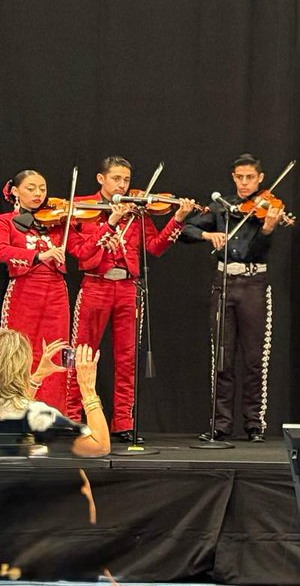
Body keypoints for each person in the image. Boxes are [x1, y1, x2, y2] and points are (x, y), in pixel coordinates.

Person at [67, 156, 197, 443]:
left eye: (126, 179)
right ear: (101, 179)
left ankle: (123, 421)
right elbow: (80, 252)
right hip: (95, 285)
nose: (123, 185)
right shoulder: (83, 206)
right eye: (116, 179)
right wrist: (110, 223)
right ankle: (74, 416)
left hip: (127, 287)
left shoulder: (137, 211)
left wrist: (177, 220)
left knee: (126, 358)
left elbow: (155, 248)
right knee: (83, 354)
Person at [181, 154, 288, 441]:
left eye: (249, 177)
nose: (244, 183)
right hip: (224, 280)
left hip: (254, 283)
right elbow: (185, 229)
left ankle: (255, 424)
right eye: (239, 177)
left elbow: (262, 246)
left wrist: (267, 229)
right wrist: (209, 236)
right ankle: (221, 424)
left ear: (260, 178)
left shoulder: (268, 206)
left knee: (255, 359)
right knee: (222, 357)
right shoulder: (220, 206)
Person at [0, 171, 95, 413]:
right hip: (24, 289)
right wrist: (39, 256)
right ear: (14, 191)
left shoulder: (57, 222)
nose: (38, 193)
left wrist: (110, 225)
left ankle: (51, 414)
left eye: (42, 188)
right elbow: (2, 250)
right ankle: (13, 412)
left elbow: (84, 251)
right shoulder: (6, 221)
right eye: (31, 188)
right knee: (19, 352)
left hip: (56, 293)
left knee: (57, 352)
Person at [0, 329, 109, 457]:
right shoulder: (37, 416)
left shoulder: (21, 413)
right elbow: (99, 446)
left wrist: (37, 377)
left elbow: (14, 408)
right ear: (23, 368)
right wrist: (88, 388)